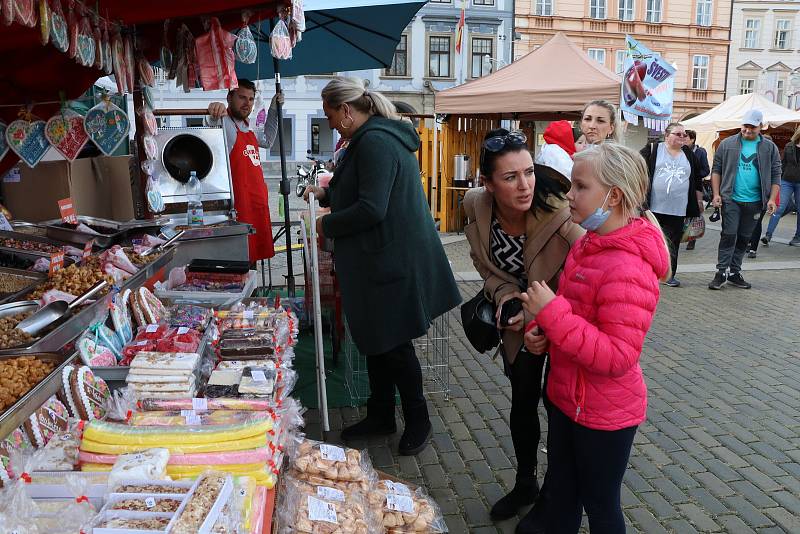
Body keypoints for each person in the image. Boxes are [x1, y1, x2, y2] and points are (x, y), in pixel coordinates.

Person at [304, 77, 460, 456]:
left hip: (391, 259)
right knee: (376, 340)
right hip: (383, 258)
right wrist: (327, 192)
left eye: (330, 116)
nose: (330, 124)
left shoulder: (374, 141)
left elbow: (372, 207)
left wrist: (325, 223)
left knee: (393, 344)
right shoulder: (369, 139)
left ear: (346, 110)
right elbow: (364, 189)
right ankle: (381, 413)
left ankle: (417, 419)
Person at [519, 143, 670, 534]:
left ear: (613, 195)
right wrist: (545, 335)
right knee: (563, 493)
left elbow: (617, 356)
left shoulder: (628, 267)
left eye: (580, 186)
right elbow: (577, 317)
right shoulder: (587, 244)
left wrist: (552, 313)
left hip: (605, 416)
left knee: (600, 505)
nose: (569, 195)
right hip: (569, 401)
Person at [463, 127, 584, 529]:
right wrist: (505, 299)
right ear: (488, 183)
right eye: (510, 177)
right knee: (523, 402)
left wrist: (544, 319)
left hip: (564, 322)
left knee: (561, 408)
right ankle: (525, 483)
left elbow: (585, 276)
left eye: (529, 172)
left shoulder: (560, 212)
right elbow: (486, 268)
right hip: (519, 325)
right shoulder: (476, 207)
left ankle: (556, 495)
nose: (525, 185)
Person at [207, 79, 283, 261]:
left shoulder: (249, 128)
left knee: (253, 261)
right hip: (239, 207)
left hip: (257, 204)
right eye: (242, 97)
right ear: (229, 97)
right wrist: (213, 110)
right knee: (240, 260)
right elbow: (212, 122)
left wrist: (273, 109)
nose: (247, 103)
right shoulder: (224, 124)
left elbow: (268, 139)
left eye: (250, 99)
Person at [709, 109, 780, 290]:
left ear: (760, 127)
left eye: (752, 128)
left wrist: (772, 199)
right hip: (731, 199)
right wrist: (716, 194)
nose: (748, 131)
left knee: (744, 237)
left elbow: (776, 174)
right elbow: (716, 169)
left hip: (756, 201)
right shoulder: (727, 144)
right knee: (728, 235)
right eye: (745, 126)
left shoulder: (769, 148)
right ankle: (721, 271)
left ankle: (734, 272)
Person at [639, 123, 704, 287]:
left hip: (679, 208)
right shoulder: (653, 149)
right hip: (653, 207)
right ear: (667, 135)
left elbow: (697, 179)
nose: (683, 137)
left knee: (673, 242)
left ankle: (669, 275)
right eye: (678, 134)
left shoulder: (688, 154)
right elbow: (637, 168)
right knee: (651, 240)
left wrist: (699, 199)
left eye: (684, 135)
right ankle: (648, 273)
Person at [761, 126, 800, 247]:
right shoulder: (790, 146)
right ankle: (768, 235)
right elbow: (781, 165)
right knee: (779, 207)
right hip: (786, 180)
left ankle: (797, 237)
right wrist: (777, 180)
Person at [684, 129, 710, 250]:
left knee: (694, 214)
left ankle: (692, 239)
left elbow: (706, 170)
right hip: (682, 187)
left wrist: (694, 175)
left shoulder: (700, 152)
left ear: (692, 139)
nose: (683, 139)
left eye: (686, 137)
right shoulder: (679, 151)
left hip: (695, 188)